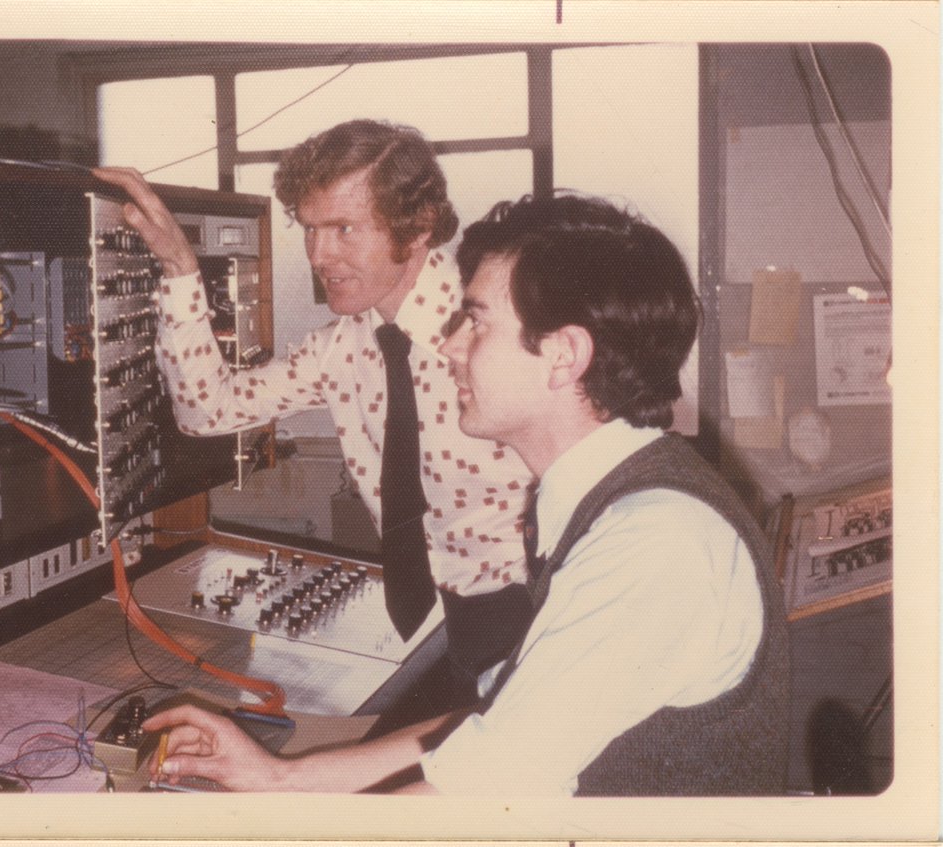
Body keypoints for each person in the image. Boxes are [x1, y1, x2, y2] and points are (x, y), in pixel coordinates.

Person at [135, 193, 790, 796]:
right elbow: (497, 725)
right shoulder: (615, 503)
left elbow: (477, 800)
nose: (449, 346)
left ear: (563, 355)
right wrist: (280, 778)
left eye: (476, 323)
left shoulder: (654, 542)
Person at [96, 120, 537, 703]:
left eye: (344, 229)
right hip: (440, 624)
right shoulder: (340, 347)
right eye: (310, 230)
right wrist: (181, 270)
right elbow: (207, 411)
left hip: (538, 609)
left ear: (418, 228)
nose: (319, 255)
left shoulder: (503, 320)